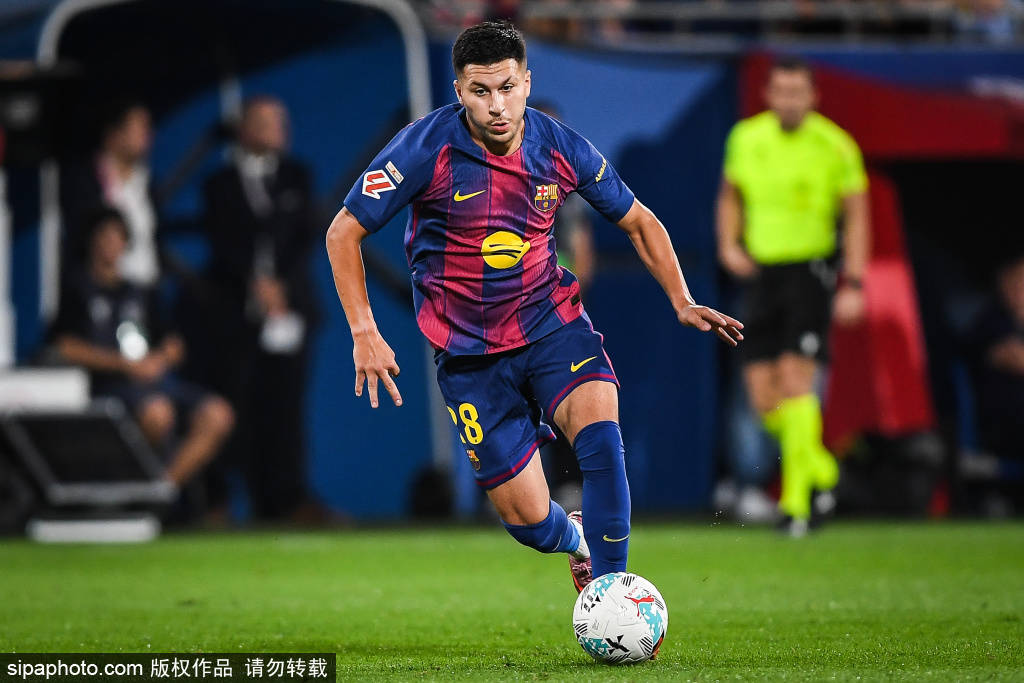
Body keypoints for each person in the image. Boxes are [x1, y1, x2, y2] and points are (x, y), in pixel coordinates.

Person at [326, 21, 742, 592]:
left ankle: (611, 592)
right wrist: (364, 331)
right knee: (528, 521)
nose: (496, 105)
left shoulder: (560, 146)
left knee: (601, 435)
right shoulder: (425, 148)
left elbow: (638, 220)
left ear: (527, 82)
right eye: (480, 91)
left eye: (507, 87)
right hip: (469, 353)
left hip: (551, 323)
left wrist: (682, 298)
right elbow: (343, 232)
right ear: (459, 91)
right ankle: (577, 541)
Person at [716, 56, 870, 535]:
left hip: (810, 273)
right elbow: (730, 195)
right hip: (763, 275)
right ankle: (823, 471)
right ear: (768, 95)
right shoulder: (746, 138)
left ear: (813, 96)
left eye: (797, 92)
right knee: (764, 399)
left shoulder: (835, 145)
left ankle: (797, 505)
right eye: (781, 92)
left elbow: (857, 215)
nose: (788, 101)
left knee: (796, 382)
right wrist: (729, 245)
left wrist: (855, 281)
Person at [50, 207, 234, 490]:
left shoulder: (142, 292)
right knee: (158, 413)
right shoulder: (77, 290)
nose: (112, 244)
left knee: (218, 414)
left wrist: (157, 361)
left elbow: (174, 345)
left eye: (118, 237)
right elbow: (64, 346)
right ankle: (133, 487)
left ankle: (161, 490)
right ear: (91, 241)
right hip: (108, 386)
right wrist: (123, 364)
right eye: (105, 236)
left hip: (154, 382)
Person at [201, 96, 321, 521]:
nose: (279, 130)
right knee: (237, 407)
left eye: (281, 121)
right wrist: (253, 282)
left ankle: (287, 501)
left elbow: (305, 238)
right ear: (245, 129)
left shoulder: (297, 176)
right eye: (268, 122)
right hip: (236, 315)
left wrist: (281, 286)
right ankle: (221, 501)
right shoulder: (218, 184)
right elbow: (221, 244)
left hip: (291, 311)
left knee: (287, 410)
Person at [61, 101, 160, 287]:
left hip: (143, 289)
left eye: (148, 127)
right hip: (99, 291)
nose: (147, 135)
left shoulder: (147, 180)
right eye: (139, 127)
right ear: (113, 133)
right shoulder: (85, 180)